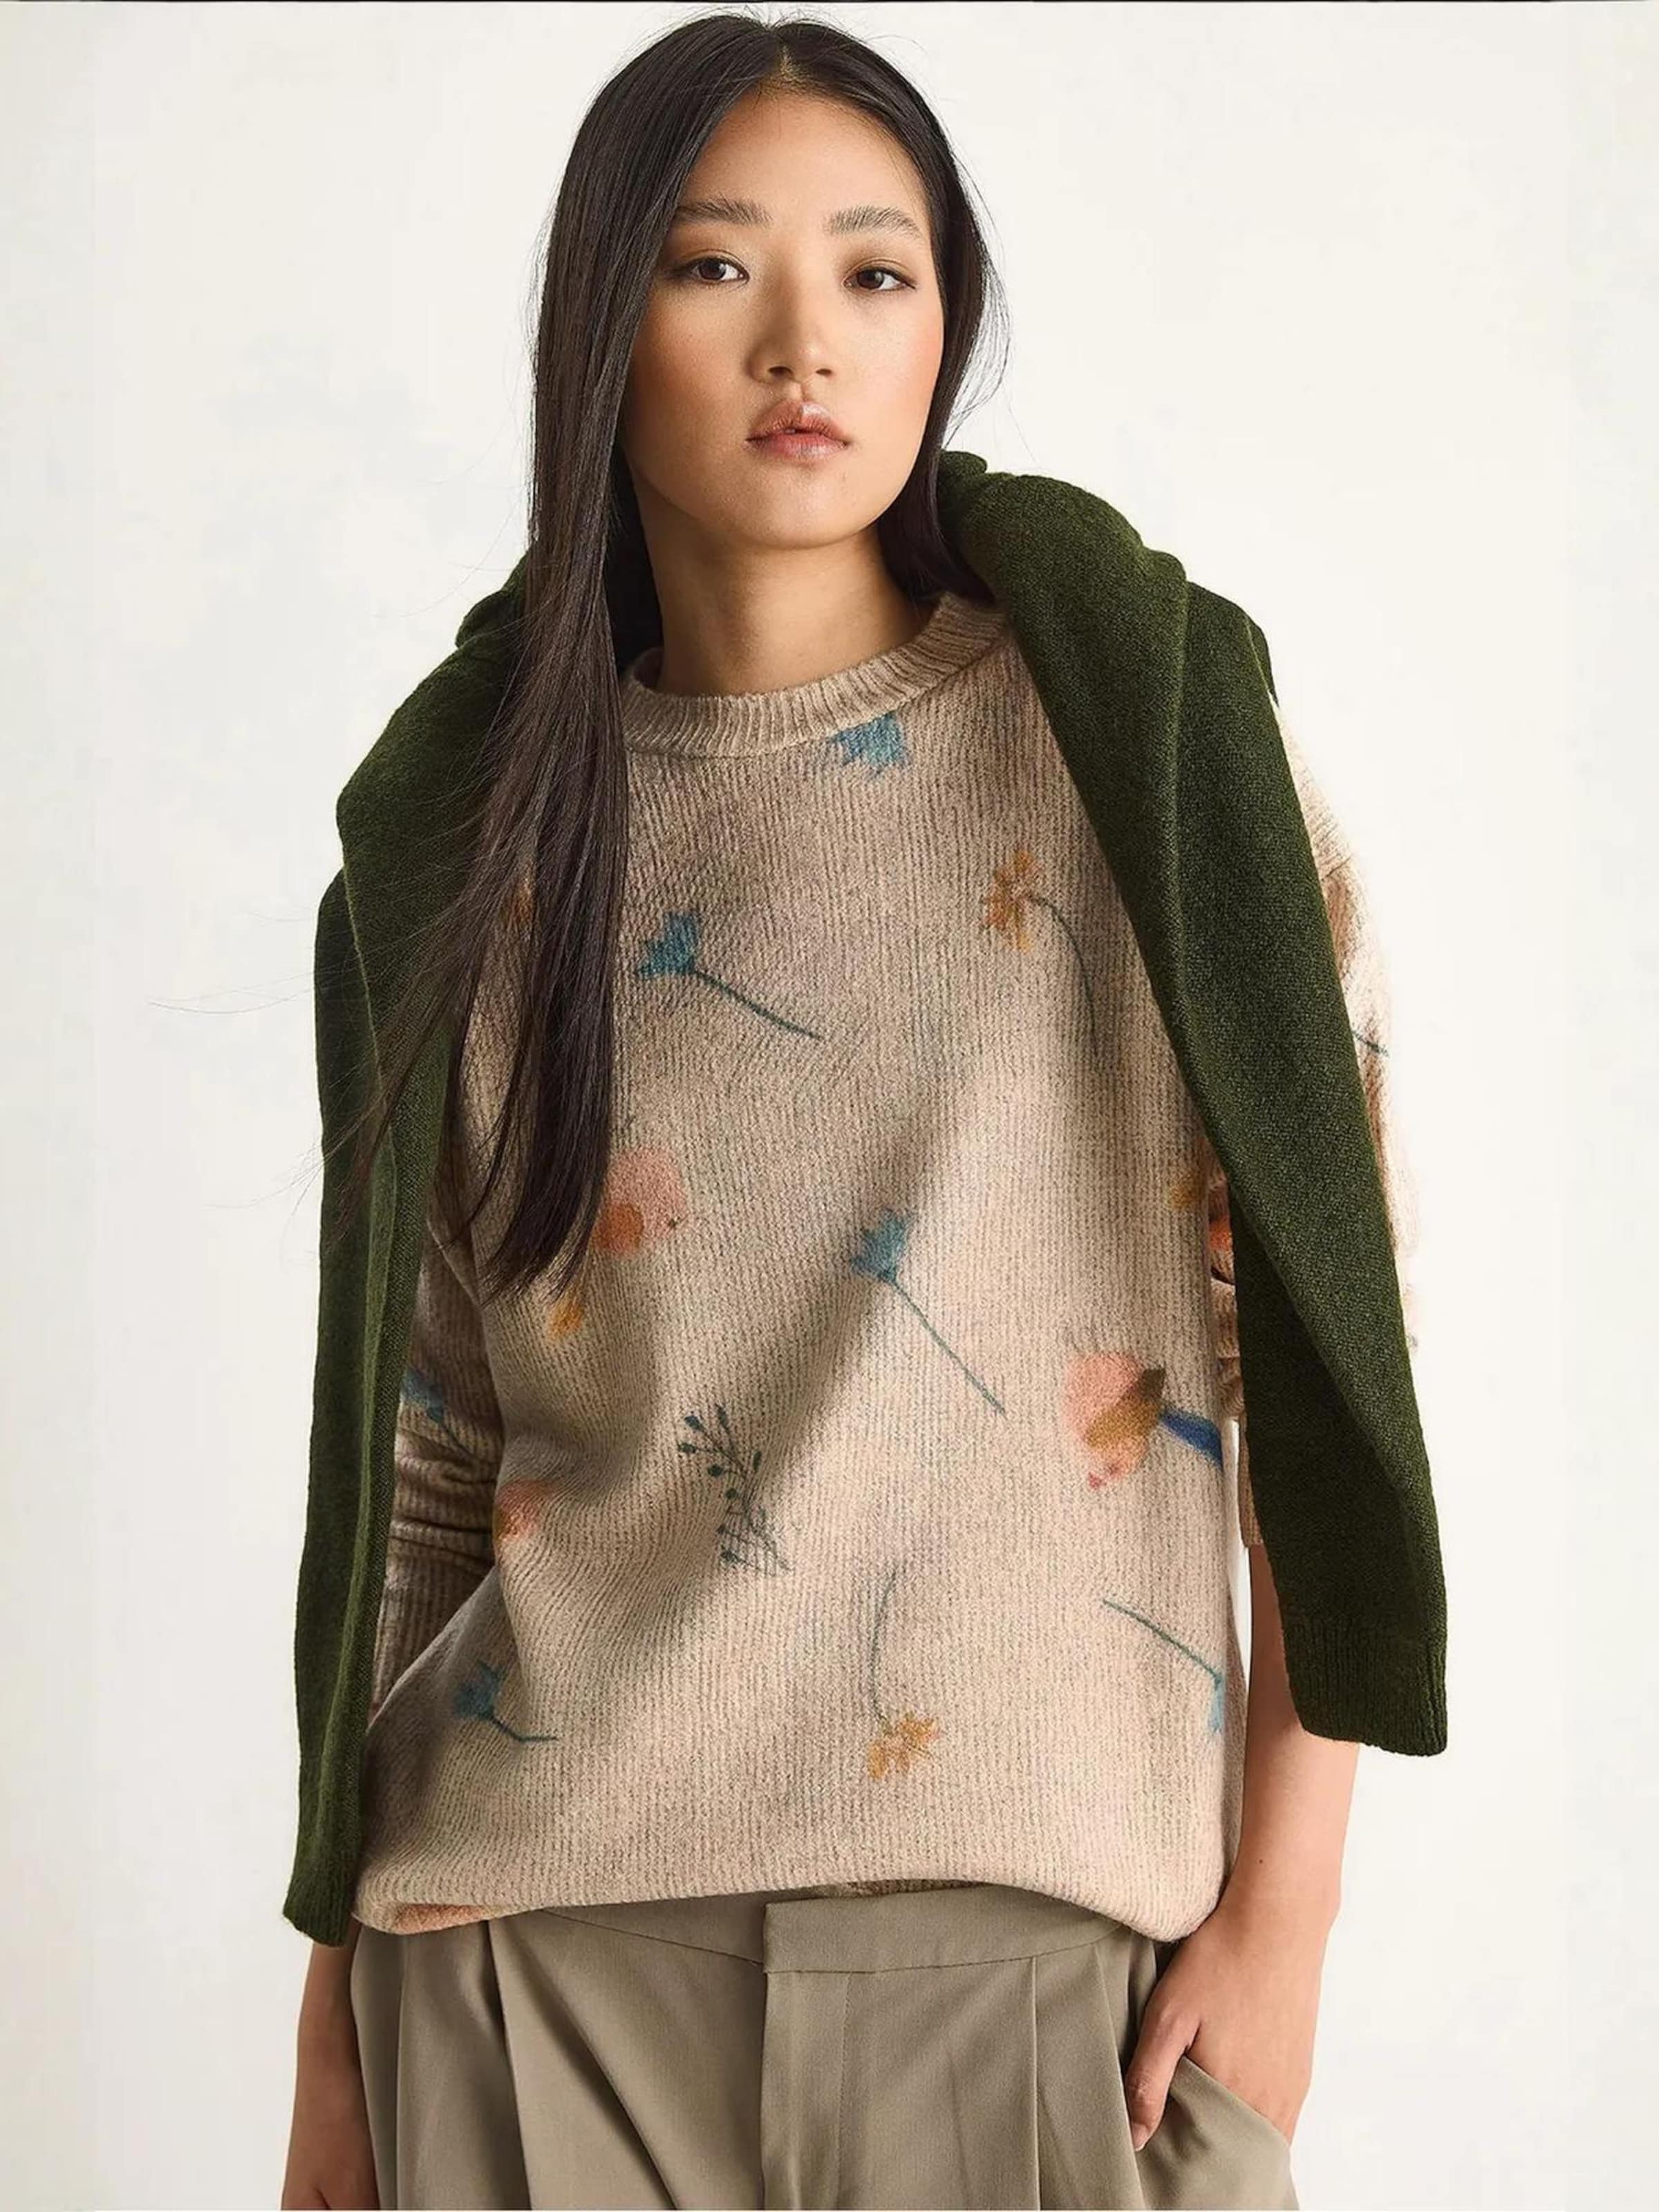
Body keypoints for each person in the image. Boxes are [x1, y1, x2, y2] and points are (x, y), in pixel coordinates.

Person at [281, 12, 1442, 2209]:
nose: (801, 339)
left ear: (944, 329)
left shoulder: (1152, 761)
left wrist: (1289, 1911)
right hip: (533, 1965)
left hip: (1050, 1975)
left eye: (876, 270)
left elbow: (1325, 1352)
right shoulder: (462, 849)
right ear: (601, 330)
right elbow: (428, 1469)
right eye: (712, 264)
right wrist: (333, 2033)